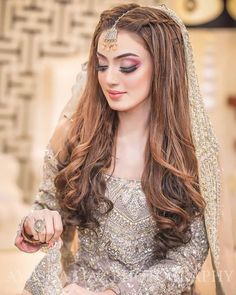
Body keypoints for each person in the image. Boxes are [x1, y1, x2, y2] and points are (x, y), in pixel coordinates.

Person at [14, 3, 227, 295]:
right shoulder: (73, 136)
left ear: (164, 67)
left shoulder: (192, 155)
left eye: (127, 66)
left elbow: (185, 261)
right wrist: (35, 226)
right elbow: (46, 208)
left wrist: (116, 293)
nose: (110, 78)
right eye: (102, 64)